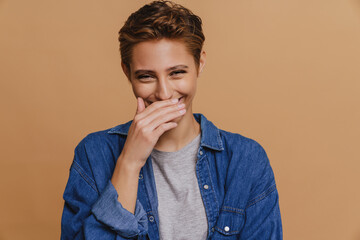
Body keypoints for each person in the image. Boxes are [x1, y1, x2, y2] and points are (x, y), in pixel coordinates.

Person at [60, 1, 283, 239]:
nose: (164, 93)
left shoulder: (246, 160)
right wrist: (129, 162)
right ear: (127, 72)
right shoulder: (93, 155)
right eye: (146, 76)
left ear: (200, 64)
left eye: (177, 72)